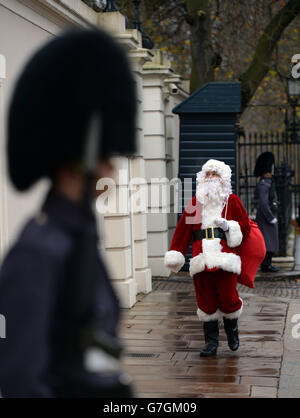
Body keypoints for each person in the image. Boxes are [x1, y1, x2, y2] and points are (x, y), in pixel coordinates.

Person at [0, 28, 136, 397]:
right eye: (106, 154)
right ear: (76, 158)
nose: (112, 169)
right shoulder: (39, 253)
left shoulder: (77, 237)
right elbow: (20, 381)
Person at [164, 159, 250, 357]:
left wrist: (229, 226)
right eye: (208, 174)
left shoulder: (232, 201)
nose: (211, 178)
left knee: (229, 299)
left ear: (223, 179)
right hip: (200, 259)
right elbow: (183, 231)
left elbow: (245, 226)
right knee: (206, 302)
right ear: (202, 178)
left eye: (215, 174)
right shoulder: (196, 202)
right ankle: (211, 343)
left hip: (225, 259)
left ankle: (232, 330)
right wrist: (176, 252)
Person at [254, 152, 279, 273]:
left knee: (270, 241)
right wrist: (270, 217)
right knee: (267, 242)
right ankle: (266, 265)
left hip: (268, 216)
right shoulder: (264, 184)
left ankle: (268, 263)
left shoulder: (267, 182)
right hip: (266, 217)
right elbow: (264, 203)